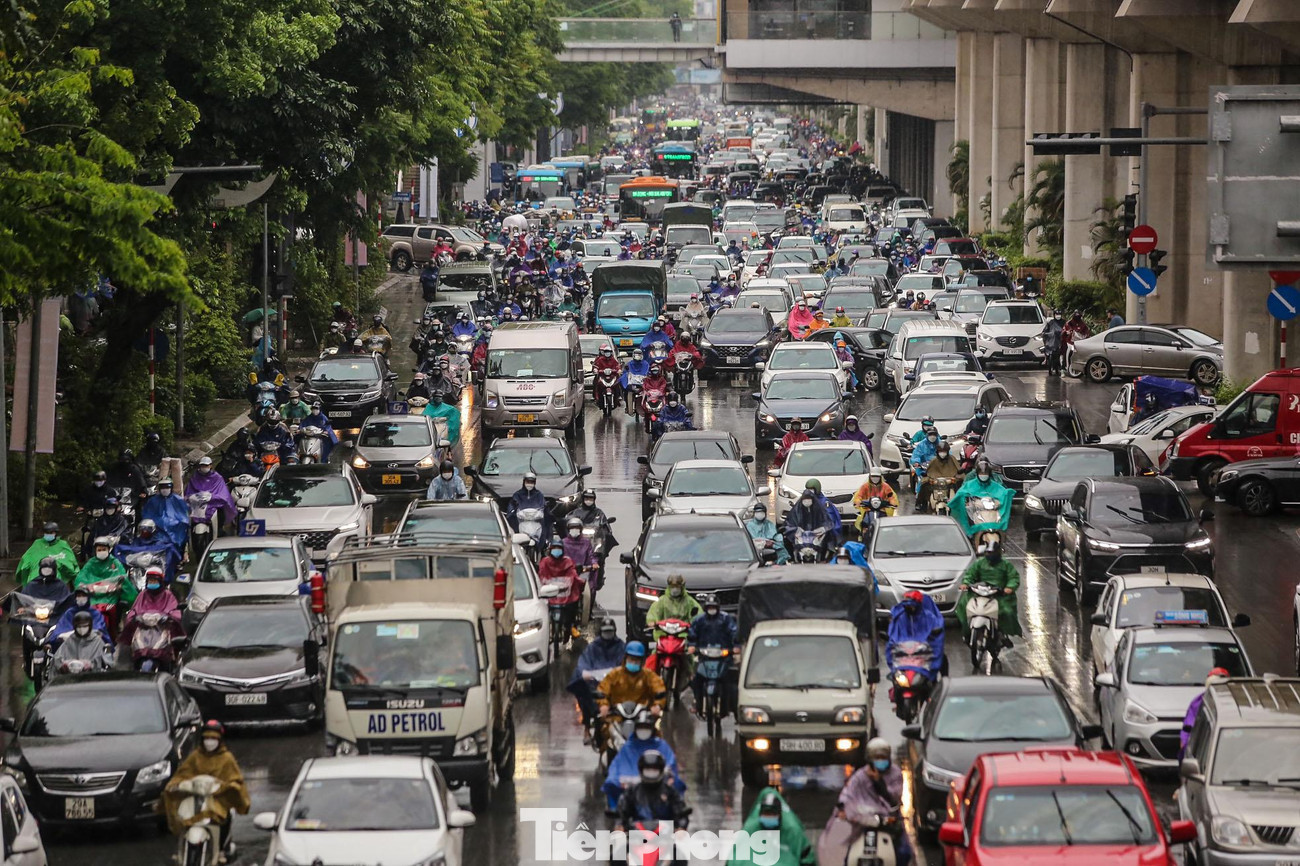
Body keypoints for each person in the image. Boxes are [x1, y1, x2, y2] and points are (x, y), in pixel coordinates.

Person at [164, 721, 251, 863]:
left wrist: (230, 787)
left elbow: (236, 779)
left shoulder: (227, 758)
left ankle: (221, 849)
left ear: (219, 740)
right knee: (181, 816)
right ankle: (180, 847)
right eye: (207, 738)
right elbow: (182, 775)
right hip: (195, 797)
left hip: (218, 799)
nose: (210, 742)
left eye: (213, 738)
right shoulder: (195, 757)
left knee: (224, 817)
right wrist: (177, 785)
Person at [819, 738, 911, 866]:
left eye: (883, 757)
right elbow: (848, 793)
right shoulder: (860, 776)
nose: (880, 760)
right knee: (843, 851)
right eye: (877, 758)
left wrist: (878, 781)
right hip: (863, 820)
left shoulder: (895, 774)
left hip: (888, 820)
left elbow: (893, 798)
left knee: (904, 852)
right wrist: (842, 808)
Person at [602, 710, 686, 812]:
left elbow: (671, 764)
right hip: (630, 786)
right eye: (641, 727)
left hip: (659, 784)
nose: (643, 731)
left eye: (646, 727)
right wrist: (616, 780)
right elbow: (616, 767)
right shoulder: (628, 747)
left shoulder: (661, 745)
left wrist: (669, 777)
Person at [955, 541, 1022, 649]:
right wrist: (966, 584)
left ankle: (1003, 633)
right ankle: (966, 633)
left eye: (992, 553)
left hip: (999, 594)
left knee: (1007, 611)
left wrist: (1009, 587)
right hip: (980, 592)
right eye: (988, 552)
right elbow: (970, 575)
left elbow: (1013, 577)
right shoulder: (979, 563)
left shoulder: (1006, 565)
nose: (990, 555)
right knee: (963, 606)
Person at [615, 751, 690, 845]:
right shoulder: (632, 792)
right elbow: (622, 811)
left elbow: (681, 811)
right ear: (641, 771)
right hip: (637, 839)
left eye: (654, 770)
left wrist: (681, 827)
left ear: (661, 771)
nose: (651, 774)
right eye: (648, 771)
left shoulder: (670, 792)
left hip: (665, 839)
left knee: (681, 852)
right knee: (617, 852)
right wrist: (620, 825)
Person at [118, 566, 185, 668]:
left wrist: (167, 617)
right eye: (150, 581)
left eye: (154, 581)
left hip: (162, 630)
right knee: (126, 645)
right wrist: (136, 617)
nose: (152, 583)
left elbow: (175, 611)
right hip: (143, 630)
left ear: (160, 581)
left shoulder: (168, 595)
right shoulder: (142, 595)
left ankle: (172, 665)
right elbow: (133, 611)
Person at [729, 788, 816, 866]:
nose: (769, 817)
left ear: (780, 815)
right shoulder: (750, 828)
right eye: (766, 814)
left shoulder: (792, 830)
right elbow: (734, 856)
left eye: (771, 814)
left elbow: (807, 858)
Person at [568, 617, 626, 733]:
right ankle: (587, 728)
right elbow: (584, 662)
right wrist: (584, 673)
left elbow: (626, 662)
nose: (608, 635)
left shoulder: (621, 646)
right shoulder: (593, 647)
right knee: (583, 693)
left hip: (616, 684)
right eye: (605, 632)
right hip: (596, 683)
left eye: (610, 632)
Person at [687, 593, 738, 717]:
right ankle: (697, 702)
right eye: (709, 607)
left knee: (731, 682)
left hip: (724, 657)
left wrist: (736, 646)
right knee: (695, 679)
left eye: (713, 607)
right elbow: (692, 634)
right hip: (704, 657)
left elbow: (734, 632)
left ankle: (734, 708)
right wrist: (692, 646)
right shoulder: (699, 620)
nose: (711, 609)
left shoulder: (726, 619)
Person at [596, 643, 668, 728]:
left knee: (655, 733)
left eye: (637, 660)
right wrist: (604, 705)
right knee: (603, 730)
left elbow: (659, 689)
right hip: (616, 719)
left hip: (642, 718)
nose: (633, 662)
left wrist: (657, 705)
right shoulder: (614, 675)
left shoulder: (649, 676)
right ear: (625, 659)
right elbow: (602, 690)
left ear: (642, 662)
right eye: (631, 659)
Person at [74, 536, 136, 630]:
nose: (101, 552)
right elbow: (80, 578)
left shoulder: (115, 563)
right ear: (95, 551)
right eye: (99, 550)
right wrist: (84, 586)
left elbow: (122, 577)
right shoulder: (91, 563)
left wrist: (118, 585)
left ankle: (117, 625)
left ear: (109, 550)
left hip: (110, 596)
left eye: (104, 549)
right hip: (93, 596)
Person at [948, 458, 1014, 538]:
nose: (983, 475)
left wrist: (1008, 494)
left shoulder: (994, 484)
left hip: (991, 509)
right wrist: (961, 501)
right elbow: (961, 492)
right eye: (981, 473)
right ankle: (969, 535)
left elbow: (1003, 492)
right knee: (967, 513)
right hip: (975, 509)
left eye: (986, 473)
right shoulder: (970, 483)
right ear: (977, 472)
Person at [886, 591, 945, 678]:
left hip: (923, 657)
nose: (909, 608)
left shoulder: (929, 617)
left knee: (943, 660)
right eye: (906, 606)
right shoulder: (899, 618)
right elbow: (893, 637)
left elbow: (937, 640)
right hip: (904, 659)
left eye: (911, 606)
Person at [539, 538, 584, 642]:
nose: (556, 550)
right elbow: (541, 575)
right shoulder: (545, 562)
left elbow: (573, 575)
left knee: (574, 605)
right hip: (549, 594)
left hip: (566, 594)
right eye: (554, 548)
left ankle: (572, 625)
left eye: (558, 548)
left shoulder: (568, 562)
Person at [1180, 667, 1231, 757]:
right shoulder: (1198, 702)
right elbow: (1187, 729)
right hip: (1202, 748)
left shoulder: (1233, 704)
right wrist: (1184, 745)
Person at [186, 456, 237, 530]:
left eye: (206, 465)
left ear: (210, 466)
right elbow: (189, 491)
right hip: (198, 504)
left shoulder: (217, 477)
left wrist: (212, 497)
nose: (204, 467)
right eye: (202, 465)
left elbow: (223, 494)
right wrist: (193, 497)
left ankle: (219, 529)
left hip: (213, 503)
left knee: (221, 510)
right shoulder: (195, 477)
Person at [645, 575, 703, 639]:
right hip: (664, 632)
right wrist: (652, 621)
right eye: (672, 587)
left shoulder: (689, 601)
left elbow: (697, 613)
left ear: (682, 587)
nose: (675, 589)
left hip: (683, 633)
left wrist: (697, 623)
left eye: (677, 587)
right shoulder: (662, 601)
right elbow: (654, 612)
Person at [141, 476, 189, 553]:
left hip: (175, 533)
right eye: (162, 487)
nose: (164, 489)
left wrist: (174, 523)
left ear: (171, 487)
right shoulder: (153, 501)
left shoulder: (178, 500)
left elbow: (184, 517)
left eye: (167, 487)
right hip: (157, 534)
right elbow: (147, 515)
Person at [917, 439, 962, 511]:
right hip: (935, 482)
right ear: (937, 452)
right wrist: (927, 477)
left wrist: (958, 476)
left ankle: (961, 503)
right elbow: (929, 472)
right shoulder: (934, 460)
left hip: (950, 482)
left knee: (960, 485)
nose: (942, 453)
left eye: (944, 451)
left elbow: (958, 470)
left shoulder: (952, 459)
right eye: (940, 451)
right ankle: (921, 503)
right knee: (924, 484)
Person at [506, 471, 551, 541]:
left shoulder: (539, 494)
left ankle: (545, 541)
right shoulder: (517, 494)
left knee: (548, 523)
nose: (529, 484)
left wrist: (545, 509)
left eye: (532, 482)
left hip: (536, 520)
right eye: (528, 482)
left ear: (535, 483)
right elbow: (511, 507)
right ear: (524, 482)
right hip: (521, 521)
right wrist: (512, 511)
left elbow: (543, 505)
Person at [1042, 310, 1066, 375]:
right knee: (1045, 348)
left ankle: (1063, 366)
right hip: (1051, 340)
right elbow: (1045, 330)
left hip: (1061, 340)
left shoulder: (1064, 322)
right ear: (1054, 315)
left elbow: (1066, 329)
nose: (1058, 316)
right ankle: (1046, 358)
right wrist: (1044, 333)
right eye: (1056, 314)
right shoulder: (1051, 322)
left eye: (1059, 314)